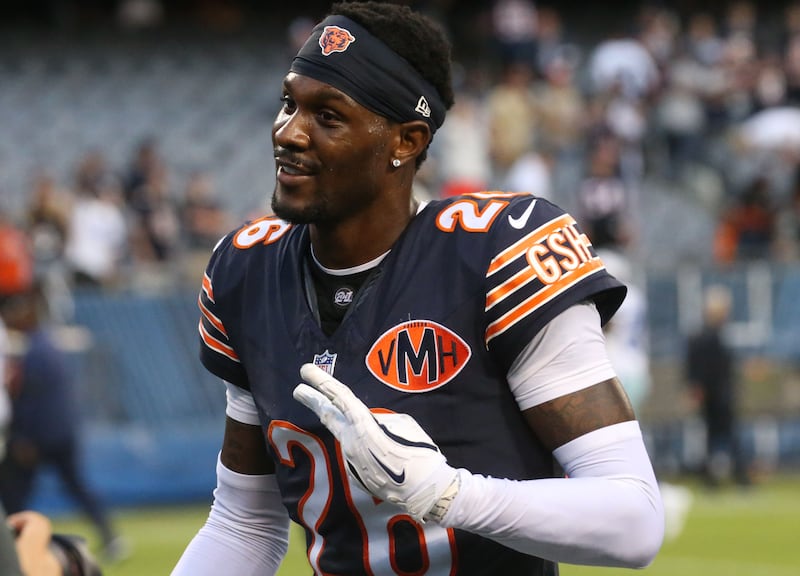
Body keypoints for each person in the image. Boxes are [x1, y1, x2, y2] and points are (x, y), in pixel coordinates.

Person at [172, 3, 664, 575]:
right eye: (289, 104)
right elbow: (244, 524)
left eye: (328, 116)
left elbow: (634, 520)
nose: (290, 133)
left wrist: (448, 495)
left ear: (405, 141)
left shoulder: (498, 253)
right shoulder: (246, 270)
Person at [0, 285, 125, 562]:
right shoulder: (47, 346)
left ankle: (9, 550)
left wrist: (23, 438)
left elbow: (33, 403)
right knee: (76, 487)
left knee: (12, 496)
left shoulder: (35, 352)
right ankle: (111, 536)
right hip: (62, 433)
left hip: (41, 438)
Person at [685, 284, 751, 488]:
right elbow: (702, 369)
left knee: (717, 436)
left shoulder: (706, 336)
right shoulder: (708, 338)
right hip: (717, 395)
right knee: (724, 435)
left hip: (717, 393)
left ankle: (717, 477)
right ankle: (731, 476)